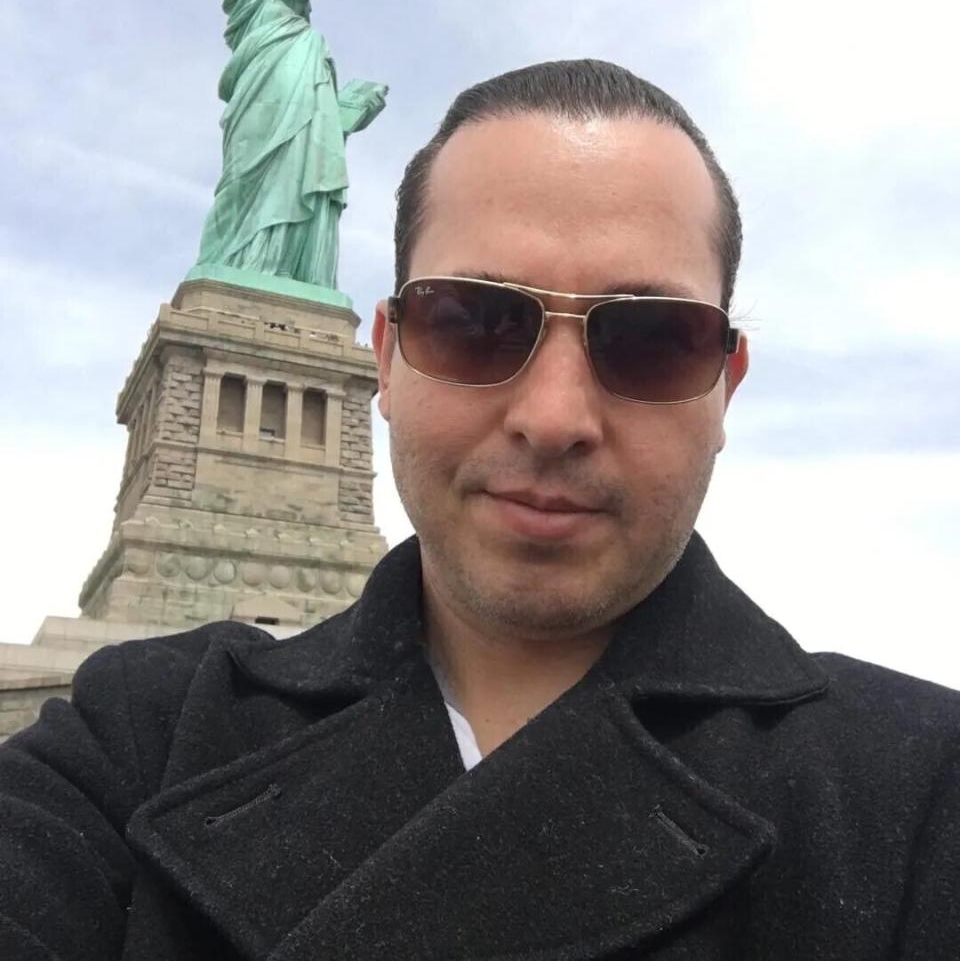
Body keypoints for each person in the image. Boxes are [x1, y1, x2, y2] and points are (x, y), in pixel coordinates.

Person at [1, 60, 958, 959]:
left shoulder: (920, 794)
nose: (553, 418)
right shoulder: (134, 738)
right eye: (473, 321)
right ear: (385, 356)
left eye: (653, 338)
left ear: (724, 387)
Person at [192, 0, 388, 289]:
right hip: (257, 121)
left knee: (298, 183)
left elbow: (327, 124)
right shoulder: (256, 10)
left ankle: (286, 272)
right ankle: (236, 267)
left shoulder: (315, 44)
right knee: (242, 187)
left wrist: (354, 107)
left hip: (303, 133)